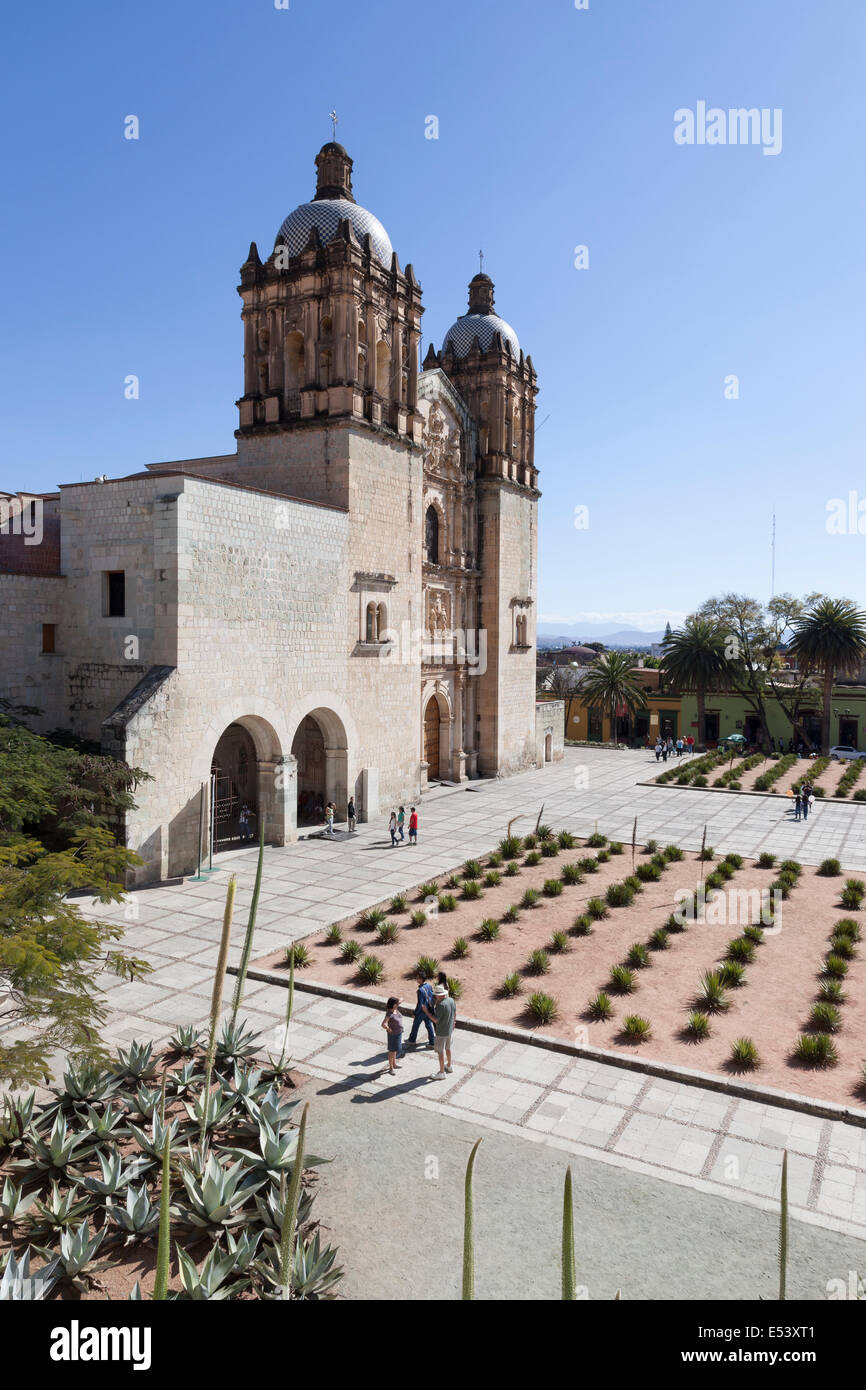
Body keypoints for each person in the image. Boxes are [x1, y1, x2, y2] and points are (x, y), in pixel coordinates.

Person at [430, 983, 456, 1080]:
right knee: (448, 1048)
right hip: (449, 1030)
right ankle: (449, 1065)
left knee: (440, 1052)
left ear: (438, 995)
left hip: (441, 1032)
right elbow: (454, 1013)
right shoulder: (451, 1000)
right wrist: (454, 1023)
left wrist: (426, 1012)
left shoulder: (441, 1005)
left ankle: (441, 1073)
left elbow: (436, 1020)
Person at [406, 970, 435, 1049]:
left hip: (422, 1011)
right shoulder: (429, 986)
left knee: (415, 1025)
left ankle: (412, 1040)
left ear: (421, 979)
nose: (416, 979)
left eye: (418, 978)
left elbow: (420, 1004)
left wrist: (415, 1013)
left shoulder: (420, 990)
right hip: (428, 1010)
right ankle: (432, 1042)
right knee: (429, 1025)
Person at [382, 997, 404, 1074]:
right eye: (397, 1004)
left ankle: (394, 1064)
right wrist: (388, 1028)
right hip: (393, 1035)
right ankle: (391, 1067)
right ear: (394, 1005)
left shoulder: (395, 1009)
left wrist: (400, 1000)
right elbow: (383, 1024)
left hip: (398, 1034)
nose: (398, 1005)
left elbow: (401, 999)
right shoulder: (389, 1013)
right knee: (391, 1051)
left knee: (395, 1050)